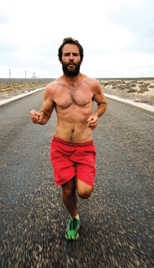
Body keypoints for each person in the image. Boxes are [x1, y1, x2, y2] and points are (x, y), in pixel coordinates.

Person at [30, 37, 108, 239]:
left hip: (84, 147)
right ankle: (74, 218)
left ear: (81, 58)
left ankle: (78, 195)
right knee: (67, 190)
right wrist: (39, 118)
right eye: (67, 54)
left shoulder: (92, 84)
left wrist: (96, 115)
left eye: (75, 54)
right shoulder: (53, 88)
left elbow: (103, 103)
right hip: (61, 148)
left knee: (84, 192)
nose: (71, 58)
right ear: (61, 59)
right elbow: (45, 116)